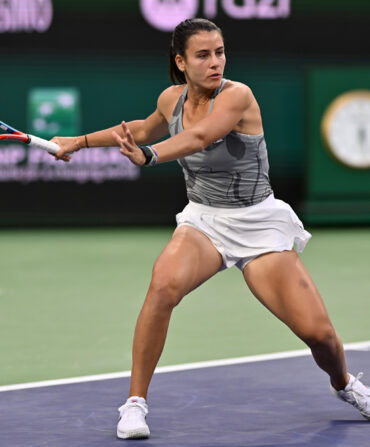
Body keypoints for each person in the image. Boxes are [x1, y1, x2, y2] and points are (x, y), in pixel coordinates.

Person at [52, 18, 370, 440]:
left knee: (319, 335)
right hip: (205, 220)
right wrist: (80, 141)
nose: (215, 62)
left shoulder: (238, 96)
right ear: (181, 62)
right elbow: (143, 130)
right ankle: (134, 404)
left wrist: (149, 156)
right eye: (203, 55)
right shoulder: (171, 98)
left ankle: (345, 384)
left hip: (257, 224)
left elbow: (201, 136)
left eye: (219, 52)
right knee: (162, 286)